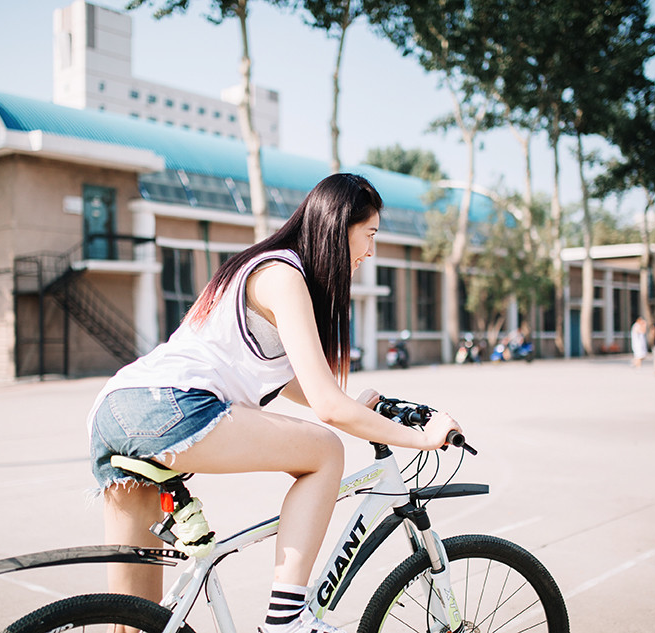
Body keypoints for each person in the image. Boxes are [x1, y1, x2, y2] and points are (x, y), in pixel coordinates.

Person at [86, 173, 461, 633]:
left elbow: (300, 385)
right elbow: (328, 410)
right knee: (325, 452)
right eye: (370, 235)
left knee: (133, 624)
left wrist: (356, 408)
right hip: (170, 407)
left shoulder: (258, 267)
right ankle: (286, 619)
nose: (370, 251)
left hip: (117, 409)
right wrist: (422, 438)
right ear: (340, 227)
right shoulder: (285, 277)